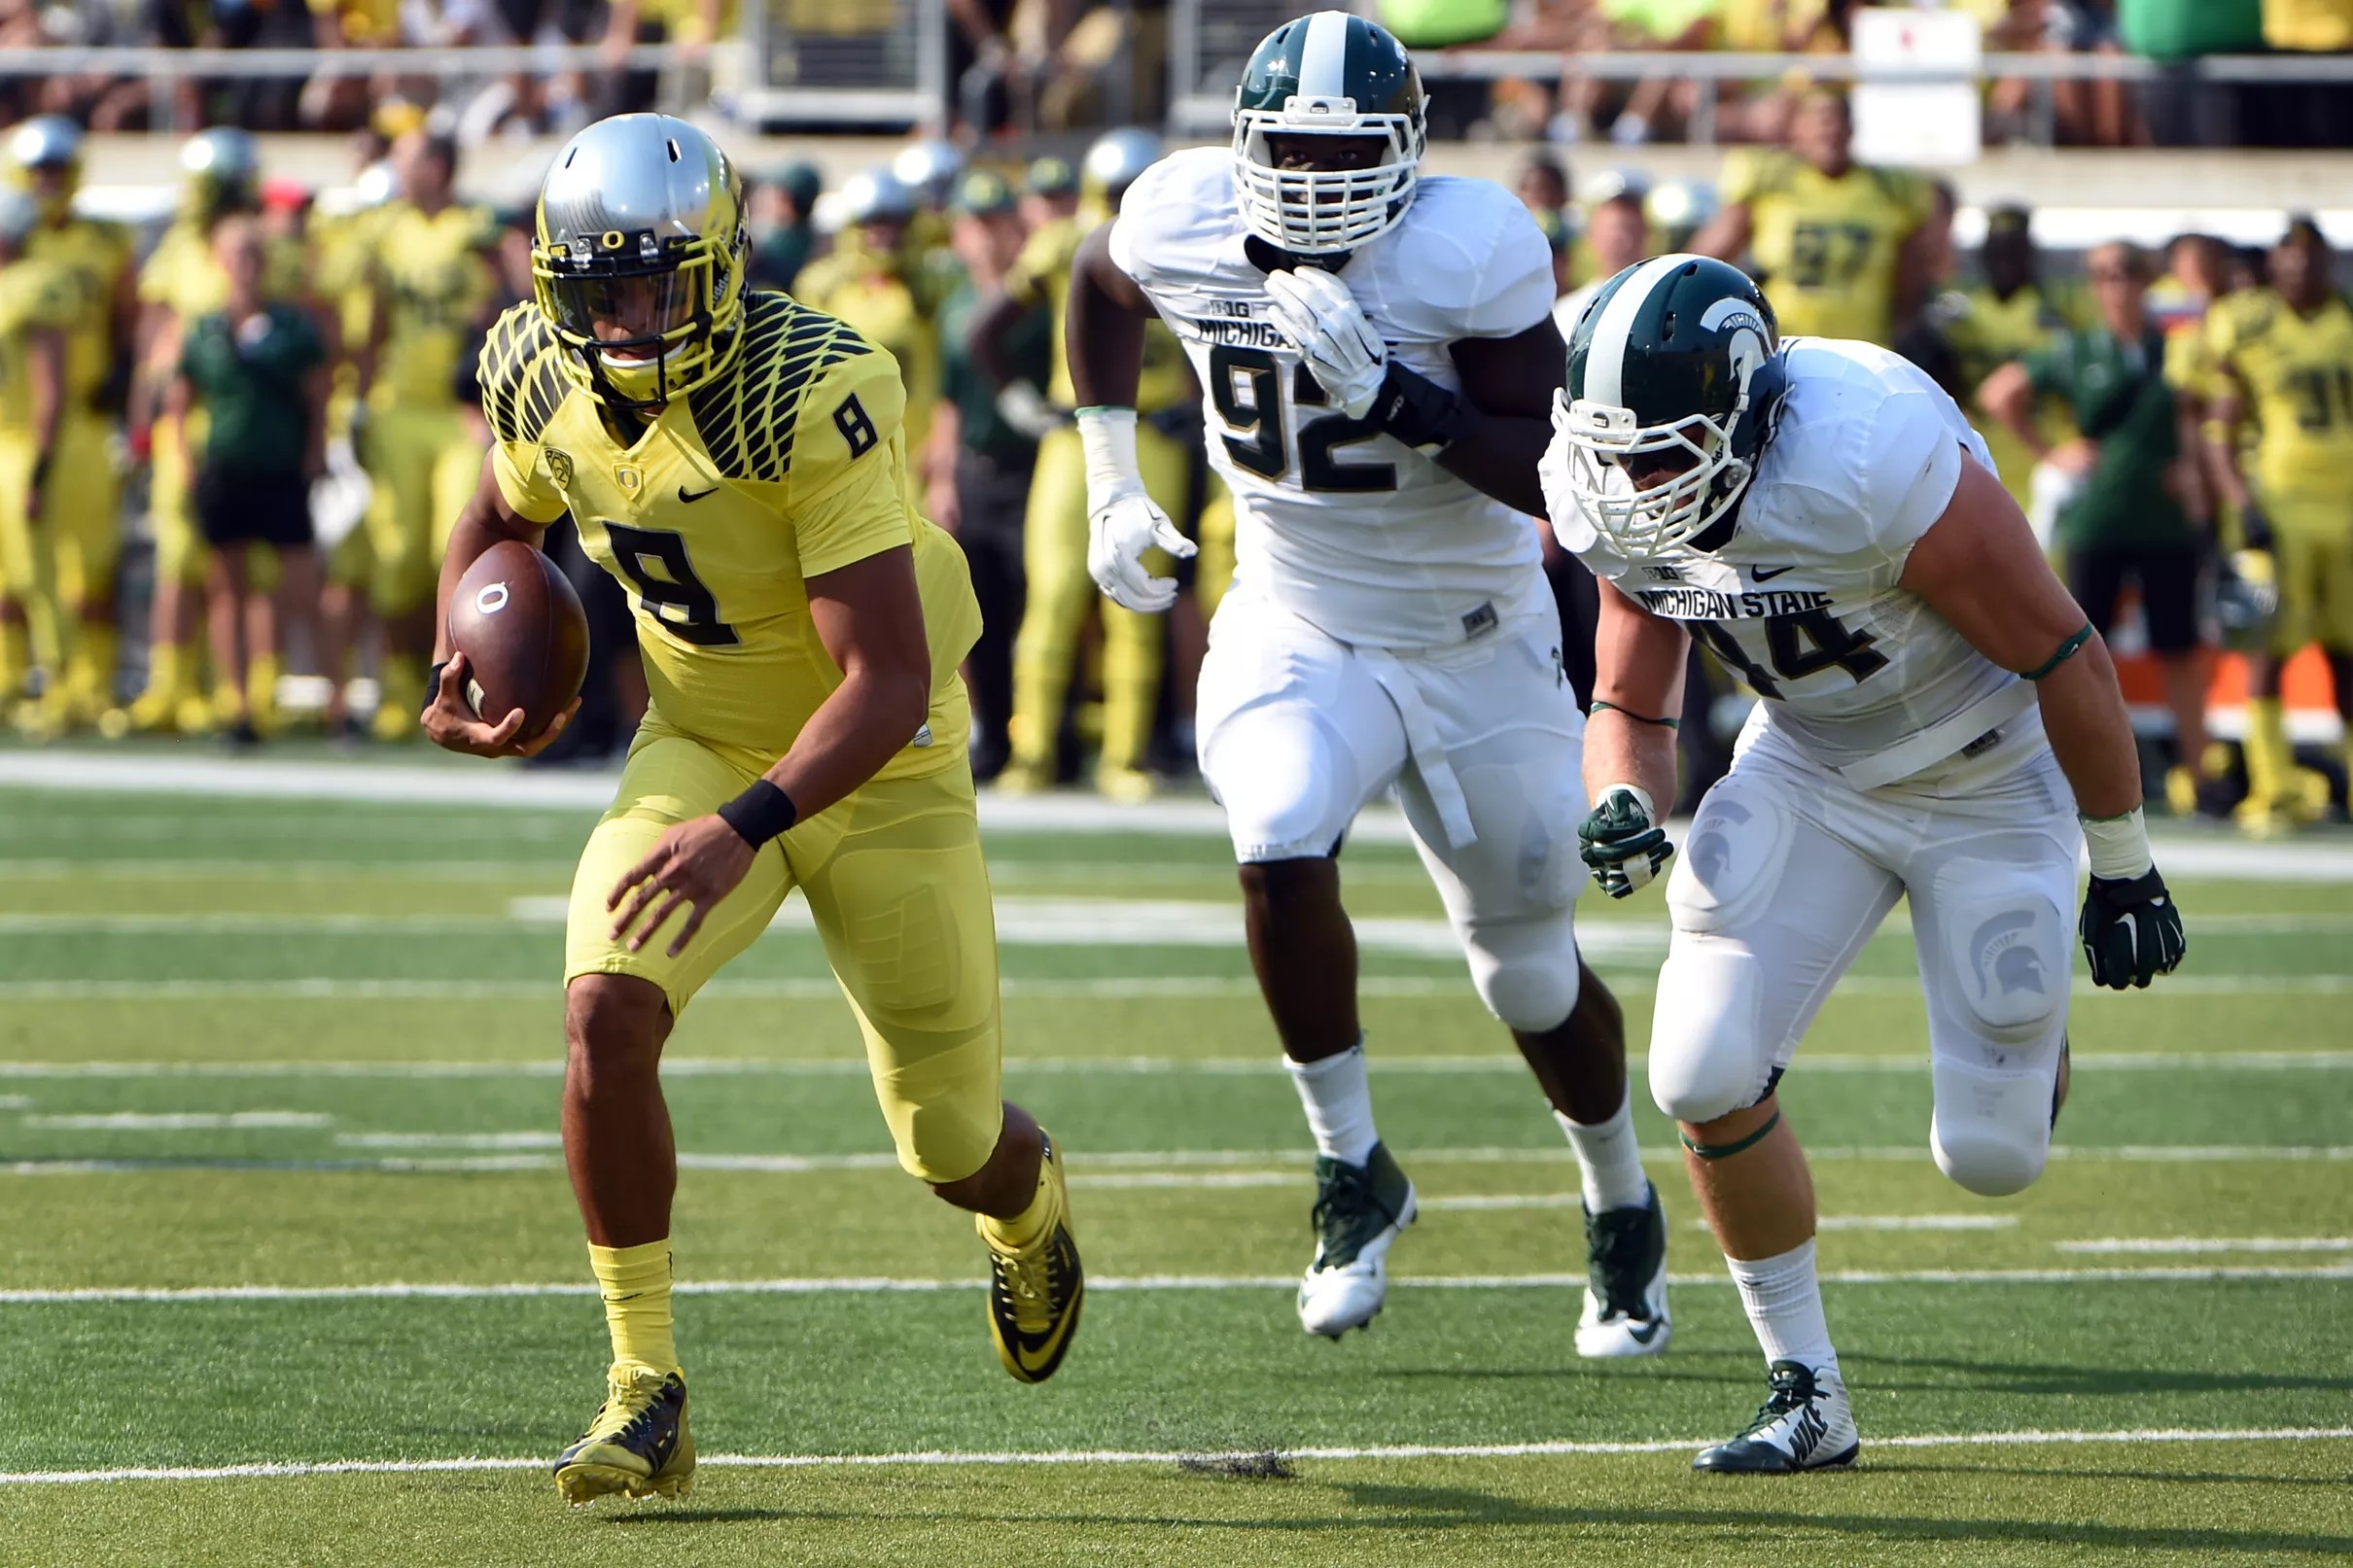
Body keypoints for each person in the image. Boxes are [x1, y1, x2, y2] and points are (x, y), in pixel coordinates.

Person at [425, 114, 1082, 1505]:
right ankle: (644, 1382)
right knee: (605, 1001)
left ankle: (1028, 1207)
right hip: (704, 731)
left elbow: (890, 680)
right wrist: (475, 655)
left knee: (950, 1143)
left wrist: (746, 826)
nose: (625, 317)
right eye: (598, 290)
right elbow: (497, 529)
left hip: (880, 764)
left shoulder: (807, 386)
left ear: (720, 269)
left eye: (654, 285)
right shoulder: (543, 378)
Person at [1069, 13, 1666, 1353]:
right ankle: (1353, 1168)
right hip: (1298, 618)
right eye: (1291, 145)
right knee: (1277, 832)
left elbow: (1554, 477)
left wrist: (1404, 400)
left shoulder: (1472, 245)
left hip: (1473, 638)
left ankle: (1620, 1196)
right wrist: (1112, 477)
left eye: (1349, 148)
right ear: (1242, 142)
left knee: (1525, 973)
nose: (1319, 174)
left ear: (1408, 146)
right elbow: (1099, 287)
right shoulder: (1178, 214)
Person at [1543, 253, 2188, 1473]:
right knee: (1696, 1065)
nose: (1631, 487)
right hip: (1810, 765)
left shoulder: (1868, 452)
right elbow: (1629, 699)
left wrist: (2122, 864)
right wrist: (1619, 795)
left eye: (1663, 452)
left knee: (1989, 1158)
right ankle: (1806, 1388)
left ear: (1744, 411)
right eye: (1613, 453)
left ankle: (2029, 1031)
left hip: (1990, 760)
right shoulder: (1608, 481)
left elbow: (2063, 652)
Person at [978, 126, 1190, 801]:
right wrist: (1018, 399)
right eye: (1116, 192)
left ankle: (1123, 757)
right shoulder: (1069, 242)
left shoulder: (1182, 246)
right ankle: (1033, 752)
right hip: (1081, 437)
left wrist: (1201, 398)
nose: (1126, 204)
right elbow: (984, 328)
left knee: (1140, 602)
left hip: (1152, 431)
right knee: (1054, 598)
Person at [1979, 241, 2216, 817]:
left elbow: (2202, 414)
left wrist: (2193, 473)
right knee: (2079, 651)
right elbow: (1999, 392)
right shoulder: (2080, 349)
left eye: (2127, 273)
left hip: (2162, 522)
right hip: (2098, 519)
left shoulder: (2173, 352)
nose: (2117, 286)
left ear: (2146, 281)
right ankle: (2069, 772)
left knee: (2180, 650)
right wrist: (2050, 452)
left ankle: (2203, 778)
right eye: (2104, 275)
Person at [2201, 218, 2353, 833]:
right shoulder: (2250, 328)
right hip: (2284, 509)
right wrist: (2242, 502)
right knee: (2267, 648)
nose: (2297, 272)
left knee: (2349, 655)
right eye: (2287, 261)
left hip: (2346, 507)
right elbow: (2219, 429)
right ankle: (2272, 787)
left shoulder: (2344, 321)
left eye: (2308, 261)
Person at [119, 127, 266, 736]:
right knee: (179, 556)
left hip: (237, 418)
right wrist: (138, 425)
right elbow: (151, 344)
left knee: (238, 564)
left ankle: (229, 687)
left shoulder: (257, 245)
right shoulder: (178, 251)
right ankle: (169, 683)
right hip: (183, 418)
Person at [170, 218, 334, 745]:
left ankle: (336, 703)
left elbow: (318, 394)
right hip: (227, 466)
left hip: (281, 468)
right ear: (220, 262)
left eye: (252, 253)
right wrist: (187, 465)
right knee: (228, 591)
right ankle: (237, 705)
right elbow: (179, 402)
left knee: (304, 588)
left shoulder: (291, 326)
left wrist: (313, 456)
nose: (245, 264)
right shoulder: (205, 328)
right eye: (235, 253)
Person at [359, 128, 499, 742]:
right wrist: (360, 401)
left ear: (438, 166)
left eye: (409, 158)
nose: (398, 168)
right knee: (398, 558)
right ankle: (396, 686)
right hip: (399, 408)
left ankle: (451, 683)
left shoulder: (478, 229)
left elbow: (506, 306)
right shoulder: (386, 232)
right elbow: (374, 324)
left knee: (454, 550)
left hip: (457, 412)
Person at [8, 116, 134, 733]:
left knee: (89, 562)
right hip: (13, 424)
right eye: (38, 170)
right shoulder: (15, 242)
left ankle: (89, 683)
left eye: (55, 169)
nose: (46, 182)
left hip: (78, 418)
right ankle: (12, 677)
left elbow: (129, 318)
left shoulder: (102, 240)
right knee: (14, 569)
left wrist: (121, 378)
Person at [928, 166, 1047, 782]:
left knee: (1039, 606)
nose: (987, 238)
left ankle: (1042, 736)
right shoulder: (956, 307)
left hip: (1034, 470)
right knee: (978, 612)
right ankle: (990, 734)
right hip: (976, 469)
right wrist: (942, 477)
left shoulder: (1035, 300)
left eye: (997, 223)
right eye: (976, 225)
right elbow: (949, 401)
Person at [1695, 89, 1933, 350]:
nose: (1829, 130)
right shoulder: (1771, 181)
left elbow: (1912, 278)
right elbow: (1711, 258)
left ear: (1852, 130)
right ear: (1795, 130)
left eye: (1837, 121)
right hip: (1781, 343)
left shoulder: (1889, 190)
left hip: (1865, 348)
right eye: (1818, 121)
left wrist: (1905, 334)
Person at [0, 189, 70, 728]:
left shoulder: (37, 284)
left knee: (37, 575)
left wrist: (40, 466)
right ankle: (6, 678)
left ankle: (59, 684)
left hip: (23, 441)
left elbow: (50, 389)